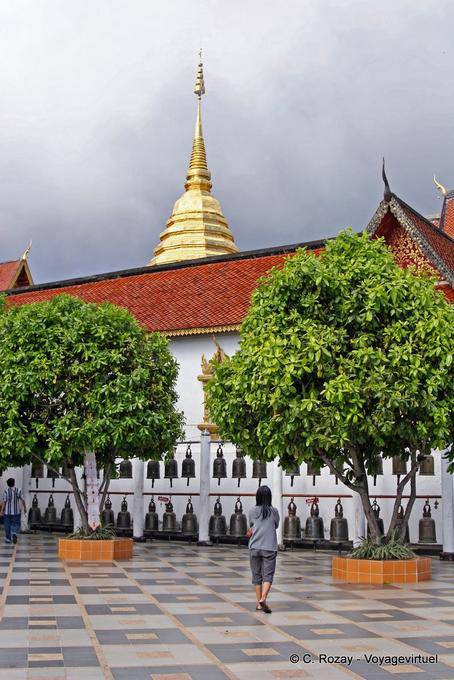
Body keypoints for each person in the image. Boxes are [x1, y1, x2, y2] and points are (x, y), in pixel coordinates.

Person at [247, 484, 279, 614]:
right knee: (268, 575)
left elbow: (251, 526)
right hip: (269, 547)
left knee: (257, 575)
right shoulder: (274, 511)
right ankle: (263, 598)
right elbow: (276, 525)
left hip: (254, 546)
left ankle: (259, 604)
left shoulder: (252, 511)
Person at [0, 478, 26, 545]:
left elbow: (4, 502)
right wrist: (25, 508)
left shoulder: (6, 491)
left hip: (7, 512)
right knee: (16, 523)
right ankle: (14, 532)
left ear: (8, 484)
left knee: (7, 525)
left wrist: (1, 511)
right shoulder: (18, 490)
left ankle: (8, 539)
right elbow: (23, 500)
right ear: (14, 483)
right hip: (16, 511)